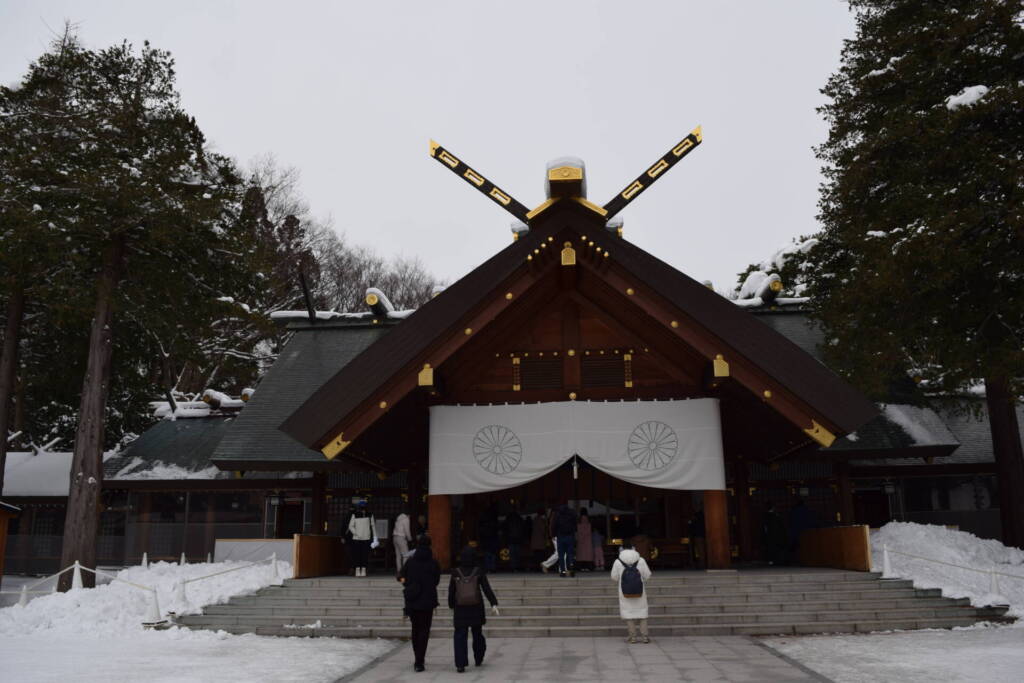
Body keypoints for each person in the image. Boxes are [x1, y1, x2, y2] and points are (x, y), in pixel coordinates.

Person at [447, 546, 499, 674]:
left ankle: (460, 664)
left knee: (460, 635)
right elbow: (486, 588)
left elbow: (451, 591)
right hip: (476, 607)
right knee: (477, 633)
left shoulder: (455, 572)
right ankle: (478, 657)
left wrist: (451, 605)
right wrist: (493, 603)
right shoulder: (478, 571)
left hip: (460, 608)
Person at [400, 534, 441, 673]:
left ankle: (417, 657)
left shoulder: (411, 562)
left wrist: (407, 583)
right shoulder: (434, 563)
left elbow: (400, 576)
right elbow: (436, 581)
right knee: (424, 630)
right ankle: (420, 660)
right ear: (429, 545)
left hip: (413, 599)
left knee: (415, 629)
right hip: (428, 600)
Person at [610, 543, 652, 644]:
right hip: (639, 591)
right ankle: (645, 637)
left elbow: (614, 577)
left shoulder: (617, 561)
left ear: (621, 549)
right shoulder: (640, 560)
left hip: (625, 592)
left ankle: (633, 637)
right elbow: (647, 575)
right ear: (634, 549)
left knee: (628, 613)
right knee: (642, 613)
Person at [346, 499, 378, 577]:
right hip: (357, 538)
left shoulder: (370, 514)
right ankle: (357, 570)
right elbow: (350, 526)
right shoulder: (355, 514)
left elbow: (373, 526)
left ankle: (363, 569)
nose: (363, 508)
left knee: (365, 554)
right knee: (357, 555)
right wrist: (356, 533)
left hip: (366, 537)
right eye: (361, 506)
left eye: (364, 506)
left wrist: (375, 537)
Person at [553, 503, 577, 577]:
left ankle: (563, 571)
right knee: (570, 554)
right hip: (570, 536)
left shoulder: (558, 515)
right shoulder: (571, 515)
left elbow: (554, 526)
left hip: (560, 537)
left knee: (561, 555)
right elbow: (575, 525)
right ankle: (571, 566)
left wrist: (554, 535)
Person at [477, 504, 500, 573]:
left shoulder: (483, 523)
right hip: (493, 540)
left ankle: (488, 568)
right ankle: (492, 568)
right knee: (492, 555)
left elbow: (481, 532)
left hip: (486, 540)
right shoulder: (494, 522)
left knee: (487, 554)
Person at [393, 506, 414, 572]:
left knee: (398, 556)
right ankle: (405, 571)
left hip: (395, 537)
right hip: (401, 537)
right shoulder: (406, 519)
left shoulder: (398, 518)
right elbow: (407, 531)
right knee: (406, 555)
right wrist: (410, 539)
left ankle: (399, 571)